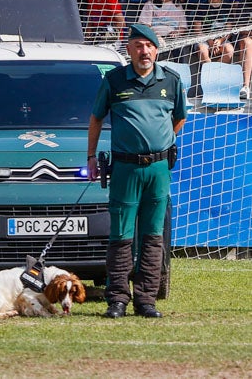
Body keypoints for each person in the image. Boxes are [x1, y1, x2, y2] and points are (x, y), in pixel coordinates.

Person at [88, 22, 187, 319]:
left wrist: (161, 143)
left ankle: (146, 300)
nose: (144, 51)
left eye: (149, 46)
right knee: (121, 235)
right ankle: (117, 298)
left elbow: (179, 118)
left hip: (158, 168)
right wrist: (90, 157)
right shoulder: (115, 80)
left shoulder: (171, 80)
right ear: (129, 49)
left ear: (157, 50)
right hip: (125, 169)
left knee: (153, 236)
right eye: (139, 46)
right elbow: (95, 119)